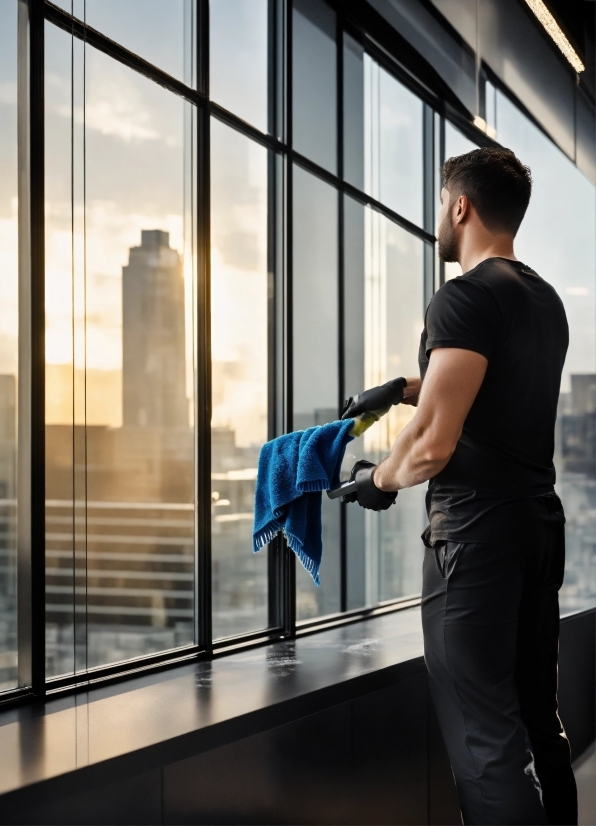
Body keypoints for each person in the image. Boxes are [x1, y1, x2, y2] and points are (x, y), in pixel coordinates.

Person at [342, 146, 577, 826]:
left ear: (460, 206)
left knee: (484, 744)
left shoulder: (464, 296)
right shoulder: (542, 299)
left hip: (476, 539)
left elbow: (432, 448)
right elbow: (490, 395)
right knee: (538, 717)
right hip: (537, 528)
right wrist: (405, 389)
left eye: (441, 205)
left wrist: (376, 480)